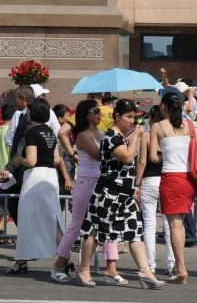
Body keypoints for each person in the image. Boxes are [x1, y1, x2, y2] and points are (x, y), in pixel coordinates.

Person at [75, 99, 164, 289]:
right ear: (117, 116)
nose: (132, 121)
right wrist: (136, 137)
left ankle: (145, 271)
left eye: (134, 117)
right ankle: (84, 269)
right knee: (95, 230)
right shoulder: (111, 135)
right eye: (128, 117)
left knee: (135, 232)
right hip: (108, 192)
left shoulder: (124, 136)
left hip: (125, 195)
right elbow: (127, 157)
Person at [52, 99, 117, 280]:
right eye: (96, 111)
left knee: (107, 223)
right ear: (87, 114)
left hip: (101, 183)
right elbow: (100, 156)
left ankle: (111, 266)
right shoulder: (83, 135)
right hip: (86, 184)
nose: (100, 114)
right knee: (77, 225)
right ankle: (59, 263)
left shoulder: (102, 133)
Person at [9, 98, 71, 275]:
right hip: (51, 176)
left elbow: (31, 161)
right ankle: (67, 258)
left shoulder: (32, 133)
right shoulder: (51, 131)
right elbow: (57, 159)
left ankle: (21, 261)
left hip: (35, 178)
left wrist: (18, 160)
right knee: (54, 219)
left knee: (27, 219)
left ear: (32, 113)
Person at [149, 91, 193, 283]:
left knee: (174, 225)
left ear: (163, 107)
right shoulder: (190, 126)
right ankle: (177, 265)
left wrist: (166, 155)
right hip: (188, 178)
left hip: (170, 177)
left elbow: (152, 158)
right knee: (180, 224)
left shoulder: (158, 127)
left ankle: (181, 268)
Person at [135, 104, 175, 276]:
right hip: (168, 179)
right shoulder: (172, 134)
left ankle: (150, 265)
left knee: (149, 224)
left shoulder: (146, 135)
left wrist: (137, 183)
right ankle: (172, 264)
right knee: (170, 224)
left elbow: (142, 162)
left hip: (150, 180)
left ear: (152, 118)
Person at [0, 104, 13, 240]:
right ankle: (0, 226)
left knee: (2, 202)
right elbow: (11, 151)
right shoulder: (8, 131)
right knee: (11, 202)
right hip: (9, 172)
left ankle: (1, 234)